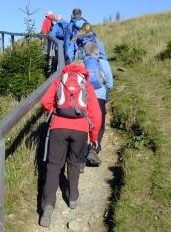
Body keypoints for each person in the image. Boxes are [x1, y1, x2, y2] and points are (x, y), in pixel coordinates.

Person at [39, 62, 102, 227]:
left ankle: (48, 206)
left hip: (58, 126)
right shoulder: (86, 84)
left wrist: (53, 113)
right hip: (80, 128)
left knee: (53, 167)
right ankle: (73, 198)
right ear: (83, 71)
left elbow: (45, 101)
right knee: (74, 163)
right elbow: (96, 113)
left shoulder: (60, 80)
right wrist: (94, 137)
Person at [79, 42, 113, 173]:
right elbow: (110, 83)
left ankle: (80, 159)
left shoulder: (81, 63)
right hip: (99, 97)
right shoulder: (103, 63)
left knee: (83, 125)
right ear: (97, 53)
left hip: (84, 97)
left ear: (85, 52)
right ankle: (93, 149)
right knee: (99, 124)